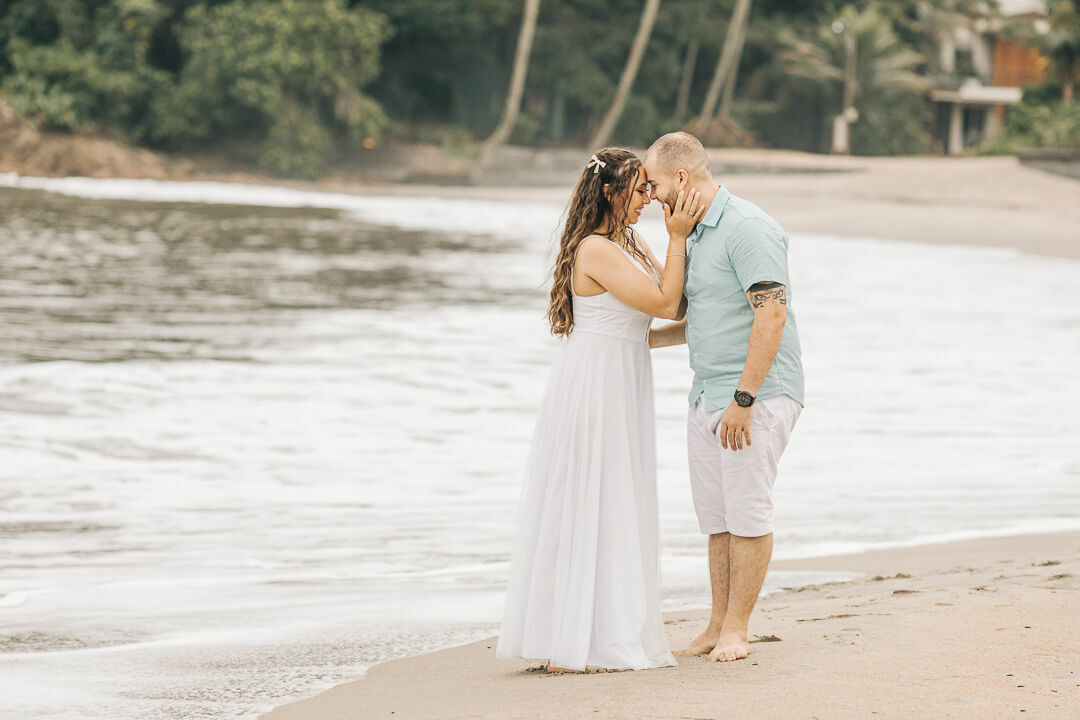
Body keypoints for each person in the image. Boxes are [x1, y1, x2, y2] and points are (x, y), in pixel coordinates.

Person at [496, 147, 705, 672]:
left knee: (617, 495)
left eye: (647, 188)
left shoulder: (629, 241)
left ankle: (602, 626)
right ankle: (565, 637)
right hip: (594, 383)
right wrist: (678, 237)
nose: (648, 198)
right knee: (587, 495)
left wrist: (672, 249)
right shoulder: (595, 249)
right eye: (638, 190)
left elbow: (675, 304)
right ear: (610, 192)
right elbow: (661, 303)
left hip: (624, 374)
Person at [645, 131, 806, 663]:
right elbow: (703, 321)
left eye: (656, 184)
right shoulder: (690, 233)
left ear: (683, 179)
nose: (652, 195)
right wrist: (634, 340)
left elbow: (771, 314)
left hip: (754, 396)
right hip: (706, 395)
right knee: (716, 519)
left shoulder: (748, 228)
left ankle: (738, 629)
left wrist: (744, 399)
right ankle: (717, 625)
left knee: (747, 515)